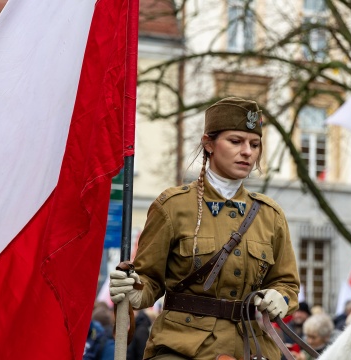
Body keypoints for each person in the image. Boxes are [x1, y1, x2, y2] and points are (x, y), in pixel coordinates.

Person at [109, 97, 300, 360]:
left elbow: (287, 282)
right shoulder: (173, 206)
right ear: (208, 143)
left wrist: (281, 297)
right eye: (236, 141)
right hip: (182, 347)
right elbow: (150, 281)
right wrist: (133, 289)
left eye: (254, 144)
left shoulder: (271, 215)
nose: (247, 152)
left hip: (250, 347)